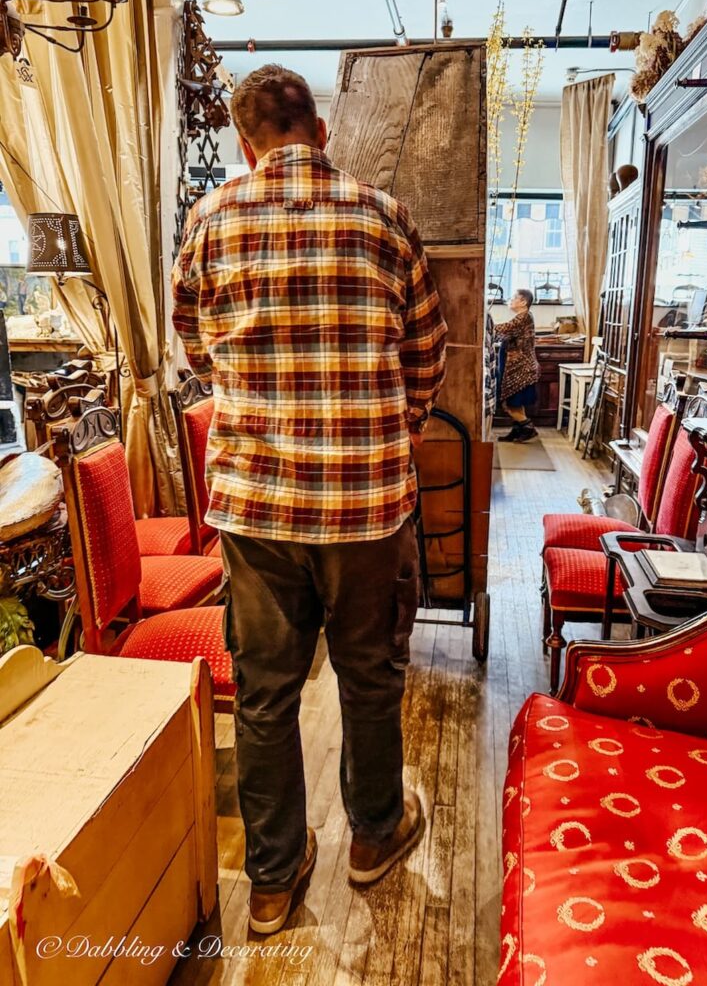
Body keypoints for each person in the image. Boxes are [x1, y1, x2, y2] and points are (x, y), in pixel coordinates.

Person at [172, 64, 448, 935]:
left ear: (244, 143)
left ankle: (272, 883)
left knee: (263, 696)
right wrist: (381, 429)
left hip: (255, 508)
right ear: (320, 130)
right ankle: (372, 837)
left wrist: (261, 392)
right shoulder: (383, 215)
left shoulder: (210, 219)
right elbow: (427, 352)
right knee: (370, 678)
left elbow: (194, 350)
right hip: (366, 506)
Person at [493, 288, 540, 441]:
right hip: (518, 368)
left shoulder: (523, 317)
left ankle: (528, 428)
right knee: (515, 404)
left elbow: (504, 328)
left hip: (520, 370)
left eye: (514, 298)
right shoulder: (524, 317)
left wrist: (484, 323)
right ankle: (517, 431)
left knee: (510, 405)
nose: (510, 300)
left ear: (523, 302)